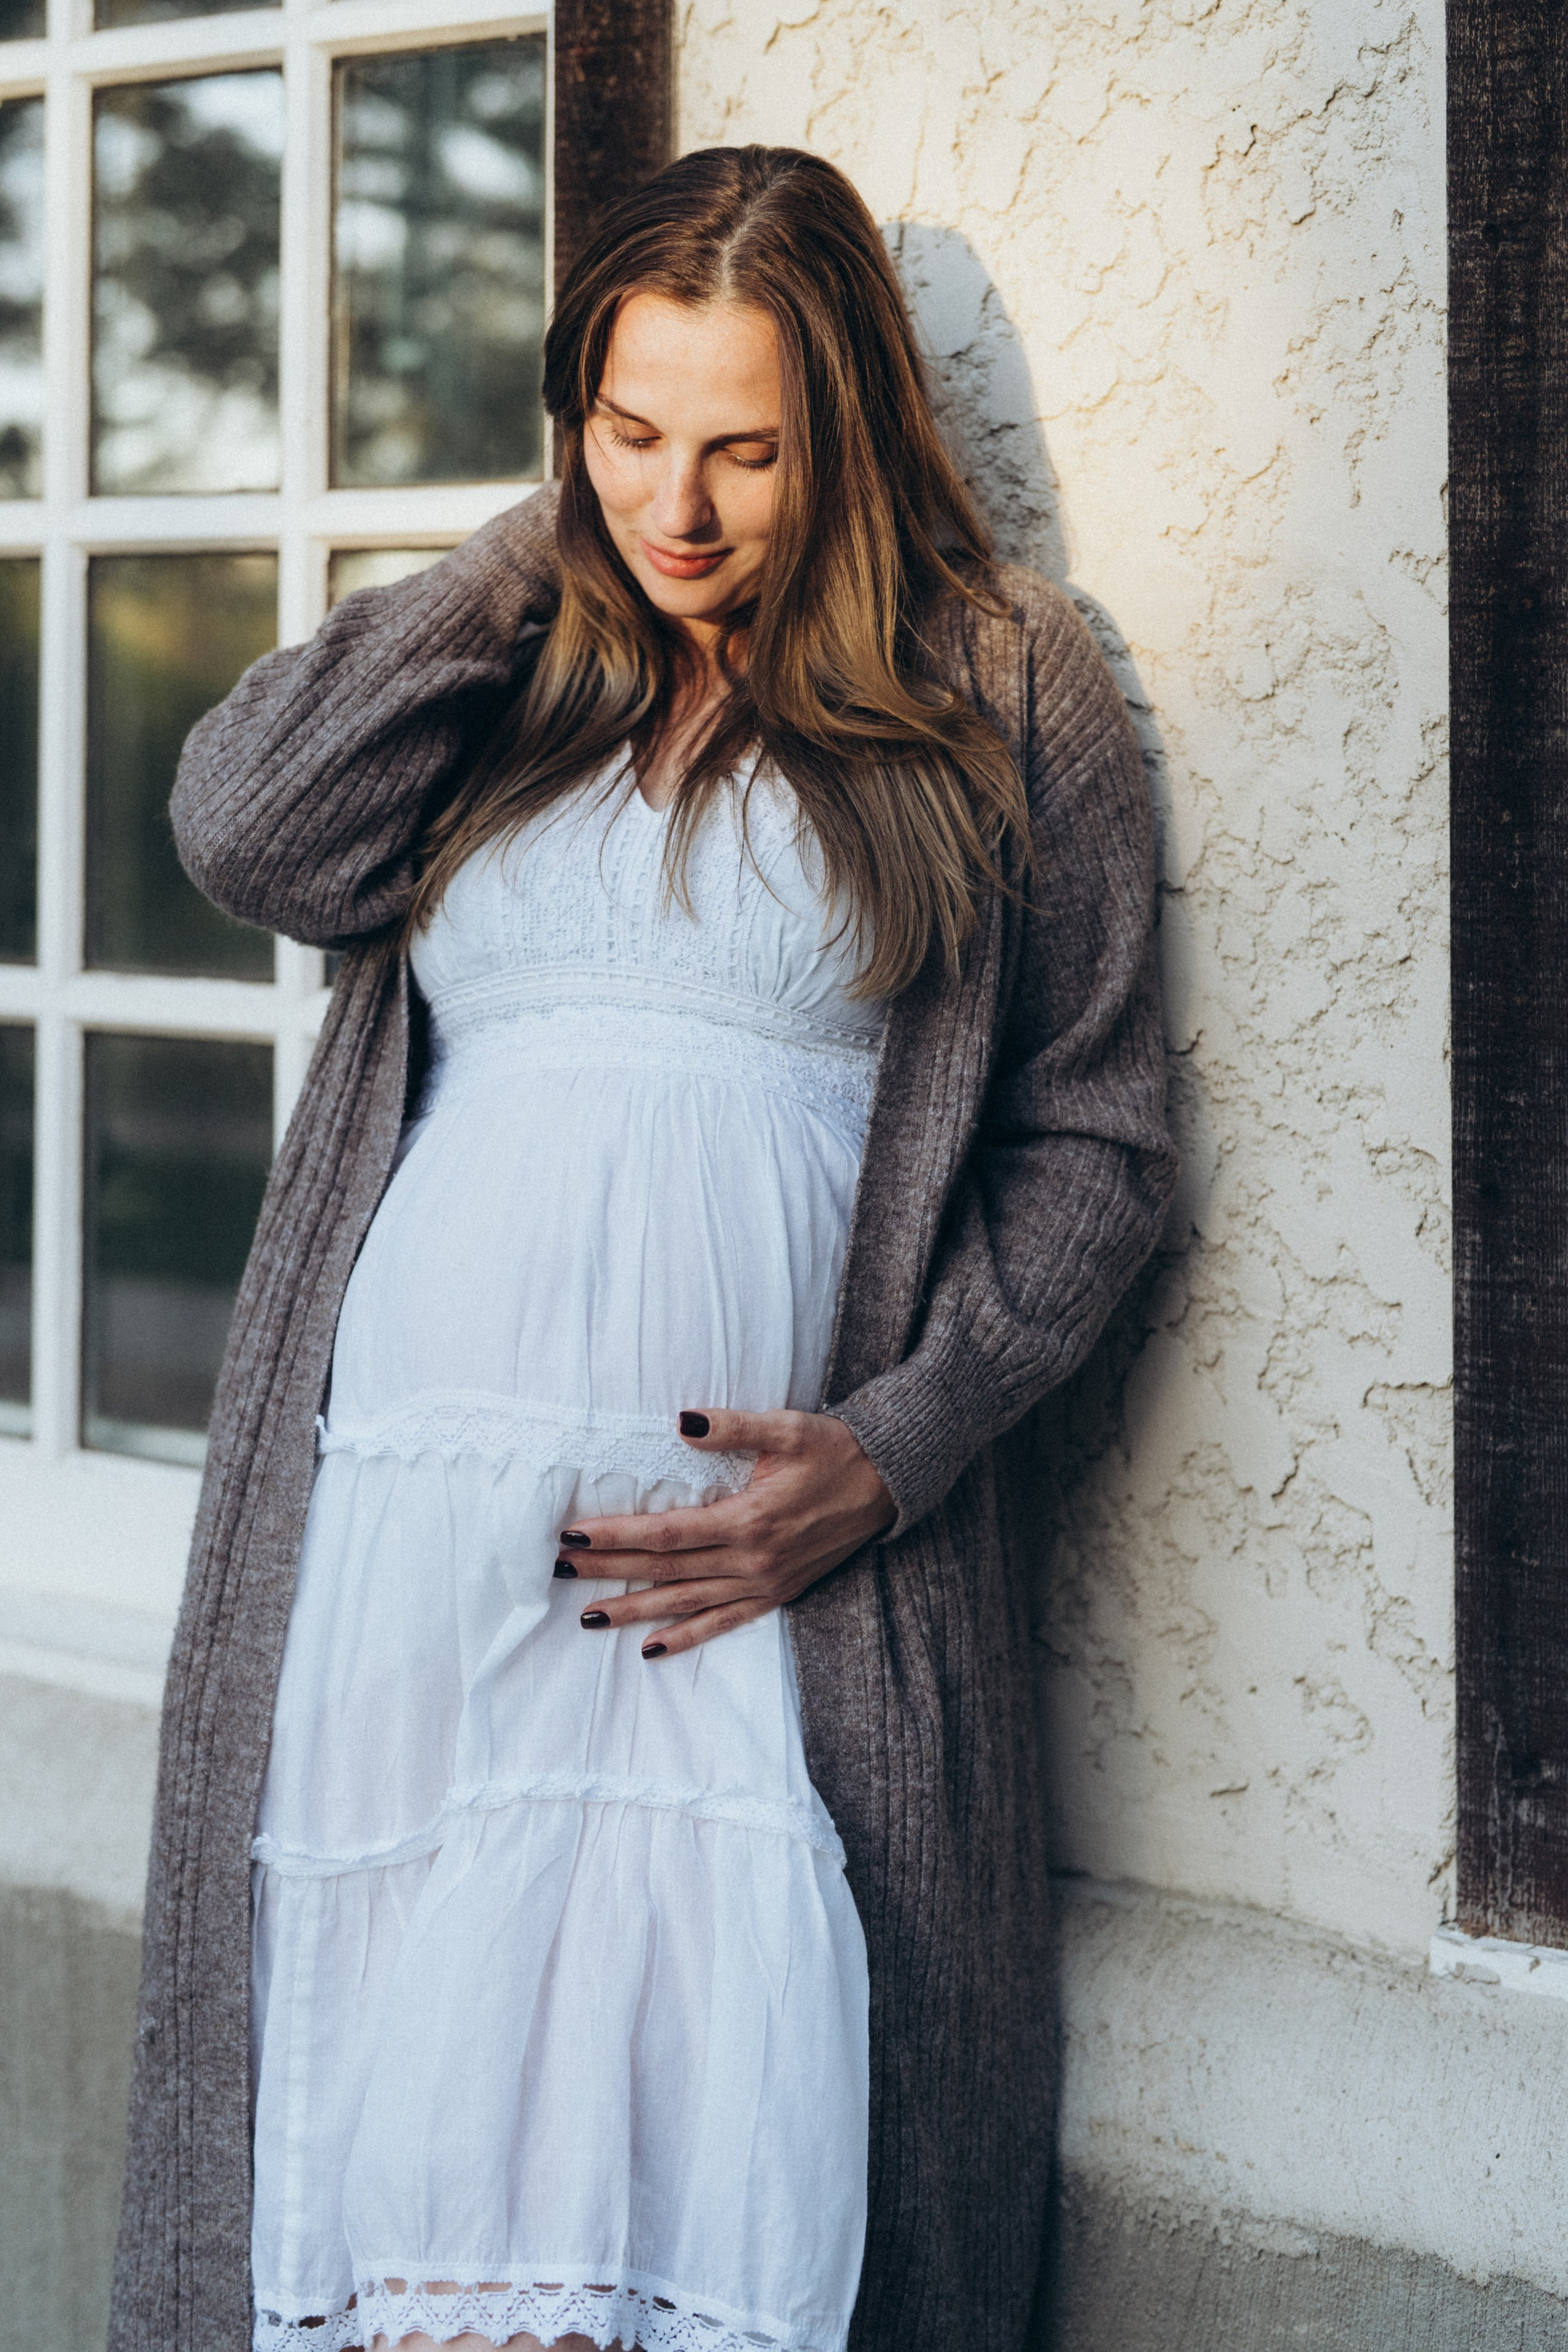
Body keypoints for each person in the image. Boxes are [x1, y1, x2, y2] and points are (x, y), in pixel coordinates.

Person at [110, 145, 1176, 2352]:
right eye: (629, 431)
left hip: (748, 1612)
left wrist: (894, 1447)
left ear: (855, 432)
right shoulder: (515, 673)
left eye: (746, 449)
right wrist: (544, 542)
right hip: (412, 1573)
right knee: (402, 2240)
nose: (680, 508)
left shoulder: (1002, 679)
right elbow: (242, 826)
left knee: (714, 2219)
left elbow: (1097, 1145)